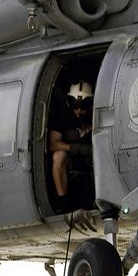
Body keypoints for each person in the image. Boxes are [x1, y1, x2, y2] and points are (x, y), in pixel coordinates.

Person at [48, 81, 94, 213]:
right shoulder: (63, 116)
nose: (79, 110)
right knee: (58, 156)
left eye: (83, 106)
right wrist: (77, 148)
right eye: (76, 106)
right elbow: (53, 144)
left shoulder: (95, 114)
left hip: (93, 159)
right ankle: (63, 201)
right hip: (72, 160)